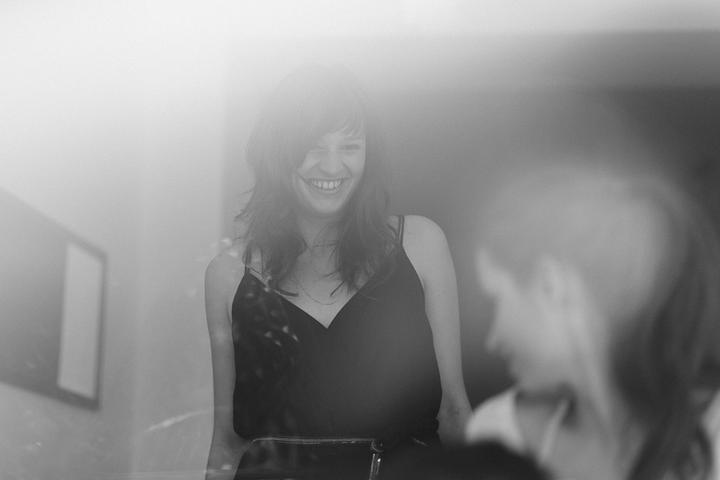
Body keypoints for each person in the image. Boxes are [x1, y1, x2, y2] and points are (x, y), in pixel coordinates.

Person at [204, 64, 471, 479]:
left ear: (369, 153)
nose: (332, 166)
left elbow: (453, 411)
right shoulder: (228, 274)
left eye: (349, 146)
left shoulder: (421, 244)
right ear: (278, 153)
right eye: (313, 146)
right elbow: (228, 441)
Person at [465, 145, 720, 480]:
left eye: (496, 301)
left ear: (550, 285)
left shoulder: (715, 432)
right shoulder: (496, 434)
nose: (493, 339)